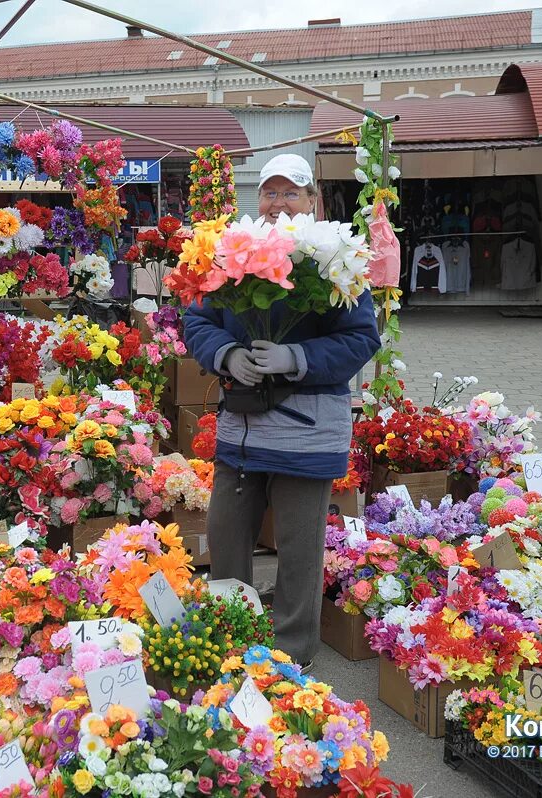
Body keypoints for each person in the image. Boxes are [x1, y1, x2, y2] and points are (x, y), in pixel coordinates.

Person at [182, 153, 381, 672]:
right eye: (269, 193)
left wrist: (298, 357)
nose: (277, 203)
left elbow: (362, 338)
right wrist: (227, 354)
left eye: (290, 192)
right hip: (242, 432)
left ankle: (291, 659)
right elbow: (198, 322)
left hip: (306, 434)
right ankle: (227, 646)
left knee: (298, 553)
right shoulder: (232, 256)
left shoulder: (332, 258)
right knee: (226, 540)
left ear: (312, 201)